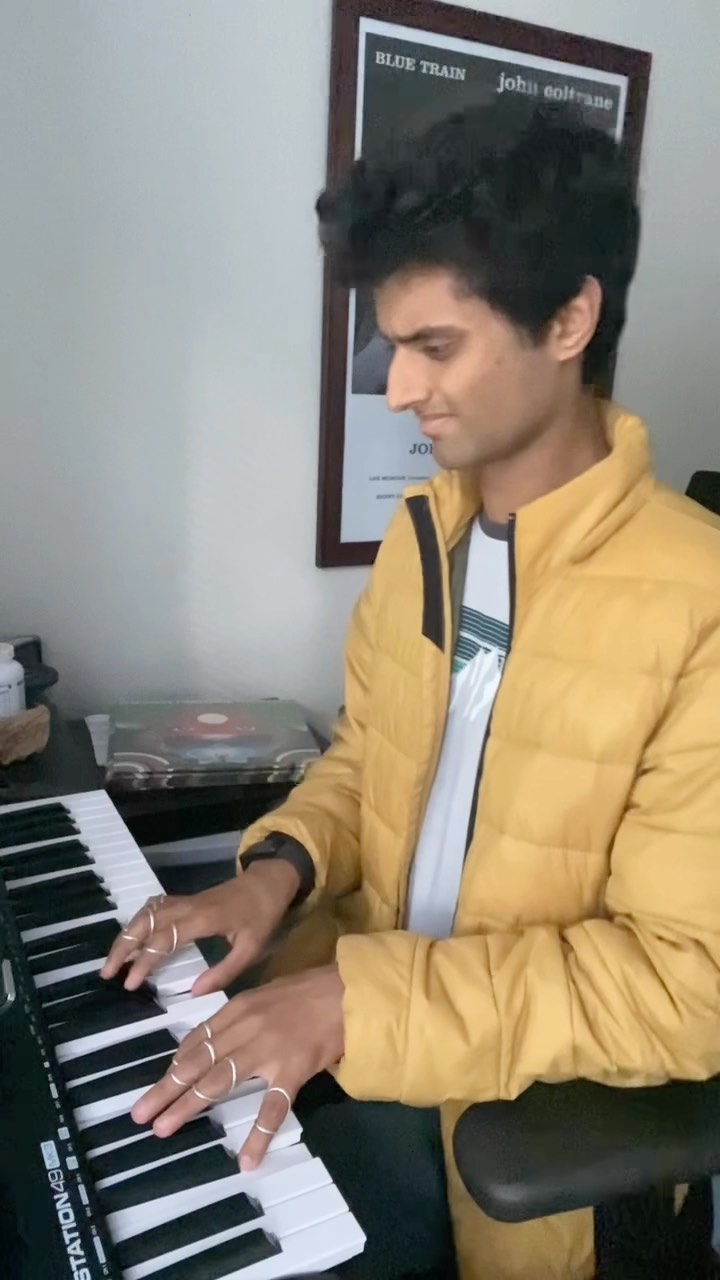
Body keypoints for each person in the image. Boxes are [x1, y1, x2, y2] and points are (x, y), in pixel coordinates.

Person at [102, 103, 720, 1280]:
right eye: (394, 347)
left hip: (520, 1144)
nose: (398, 390)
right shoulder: (424, 535)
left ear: (570, 319)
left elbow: (688, 986)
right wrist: (276, 873)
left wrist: (357, 1005)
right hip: (363, 1035)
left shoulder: (703, 603)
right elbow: (366, 755)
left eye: (435, 346)